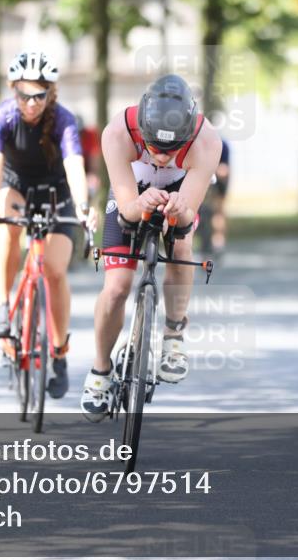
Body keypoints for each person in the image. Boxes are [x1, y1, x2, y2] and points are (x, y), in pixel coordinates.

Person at [81, 74, 222, 422]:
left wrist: (179, 210)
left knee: (181, 248)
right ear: (141, 129)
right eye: (154, 147)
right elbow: (127, 211)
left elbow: (185, 218)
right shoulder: (117, 132)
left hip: (179, 192)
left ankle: (173, 335)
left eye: (170, 150)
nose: (160, 156)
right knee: (117, 287)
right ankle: (100, 369)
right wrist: (139, 205)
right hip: (132, 191)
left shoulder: (207, 141)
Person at [0, 50, 97, 400]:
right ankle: (2, 304)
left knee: (55, 271)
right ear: (13, 89)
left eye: (39, 96)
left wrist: (83, 207)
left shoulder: (64, 120)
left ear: (51, 93)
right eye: (24, 95)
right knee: (5, 219)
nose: (31, 104)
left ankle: (59, 352)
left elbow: (74, 165)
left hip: (56, 192)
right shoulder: (0, 117)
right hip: (16, 186)